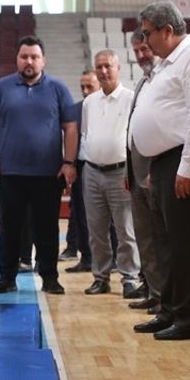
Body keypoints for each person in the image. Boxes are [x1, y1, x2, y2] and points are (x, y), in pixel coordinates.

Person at [128, 2, 190, 341]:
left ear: (167, 30)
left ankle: (188, 318)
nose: (145, 39)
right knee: (166, 241)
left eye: (147, 33)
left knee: (186, 241)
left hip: (187, 159)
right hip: (166, 161)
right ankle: (169, 310)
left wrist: (187, 167)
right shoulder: (169, 63)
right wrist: (157, 163)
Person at [0, 36, 78, 295]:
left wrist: (69, 162)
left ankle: (50, 277)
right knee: (9, 229)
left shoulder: (58, 88)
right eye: (24, 56)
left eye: (34, 57)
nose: (29, 61)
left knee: (47, 229)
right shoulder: (1, 88)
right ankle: (7, 278)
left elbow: (71, 128)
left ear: (43, 60)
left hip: (48, 174)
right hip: (9, 174)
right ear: (17, 59)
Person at [80, 50, 141, 298]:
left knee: (126, 229)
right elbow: (87, 134)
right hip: (92, 171)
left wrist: (131, 171)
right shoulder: (89, 102)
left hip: (120, 172)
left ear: (118, 68)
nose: (103, 71)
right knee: (96, 231)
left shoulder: (131, 98)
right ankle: (100, 277)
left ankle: (130, 278)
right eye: (99, 67)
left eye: (108, 66)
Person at [125, 30, 166, 315]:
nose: (141, 55)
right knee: (145, 238)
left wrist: (156, 169)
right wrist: (129, 170)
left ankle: (166, 298)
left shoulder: (164, 80)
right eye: (137, 51)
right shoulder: (142, 81)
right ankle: (154, 291)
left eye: (145, 49)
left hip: (155, 170)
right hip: (136, 170)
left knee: (161, 238)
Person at [60, 69, 99, 272]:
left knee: (109, 216)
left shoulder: (109, 107)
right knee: (79, 212)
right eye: (82, 87)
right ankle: (85, 257)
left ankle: (114, 259)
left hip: (106, 165)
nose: (84, 91)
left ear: (99, 85)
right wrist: (71, 164)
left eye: (89, 86)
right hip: (80, 165)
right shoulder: (75, 110)